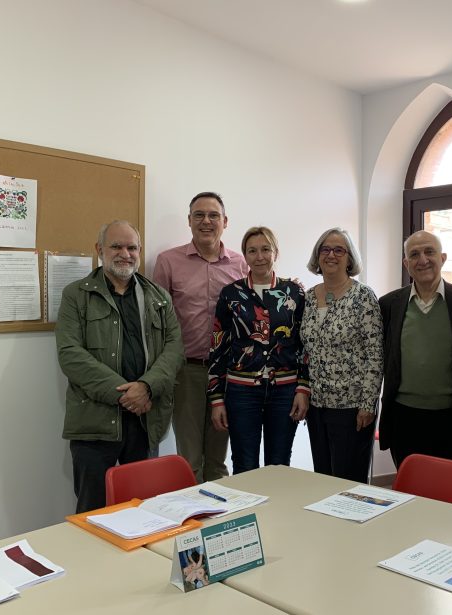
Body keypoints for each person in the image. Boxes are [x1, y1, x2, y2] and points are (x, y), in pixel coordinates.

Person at [56, 220, 184, 513]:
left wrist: (147, 387)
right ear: (100, 250)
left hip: (144, 422)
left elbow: (174, 349)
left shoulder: (159, 297)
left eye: (132, 247)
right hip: (94, 424)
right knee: (93, 511)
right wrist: (126, 395)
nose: (125, 253)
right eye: (116, 246)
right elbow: (70, 354)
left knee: (143, 510)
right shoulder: (76, 295)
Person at [153, 192, 248, 482]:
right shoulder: (168, 262)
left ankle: (220, 523)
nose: (206, 221)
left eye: (213, 215)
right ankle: (192, 523)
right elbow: (157, 322)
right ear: (189, 221)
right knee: (190, 460)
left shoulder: (241, 263)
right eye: (199, 215)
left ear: (225, 221)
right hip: (187, 372)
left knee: (218, 460)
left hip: (230, 374)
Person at [378, 230, 452, 469]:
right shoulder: (388, 305)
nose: (422, 260)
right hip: (404, 420)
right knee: (411, 495)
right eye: (414, 254)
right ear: (406, 264)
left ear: (443, 258)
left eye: (429, 252)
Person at [208, 227, 309, 474]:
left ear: (276, 252)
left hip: (285, 391)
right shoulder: (231, 294)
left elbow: (306, 344)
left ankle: (277, 513)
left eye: (265, 249)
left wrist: (303, 388)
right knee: (244, 464)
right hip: (242, 393)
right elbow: (218, 345)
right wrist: (216, 398)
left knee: (279, 464)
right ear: (244, 255)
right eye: (252, 251)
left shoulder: (293, 292)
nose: (259, 256)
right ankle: (248, 513)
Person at [301, 228, 383, 483]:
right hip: (316, 406)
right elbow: (303, 351)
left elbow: (375, 353)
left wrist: (368, 404)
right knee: (323, 479)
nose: (331, 255)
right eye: (325, 249)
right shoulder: (308, 298)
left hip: (352, 407)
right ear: (317, 256)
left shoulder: (363, 297)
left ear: (349, 258)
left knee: (349, 482)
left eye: (339, 250)